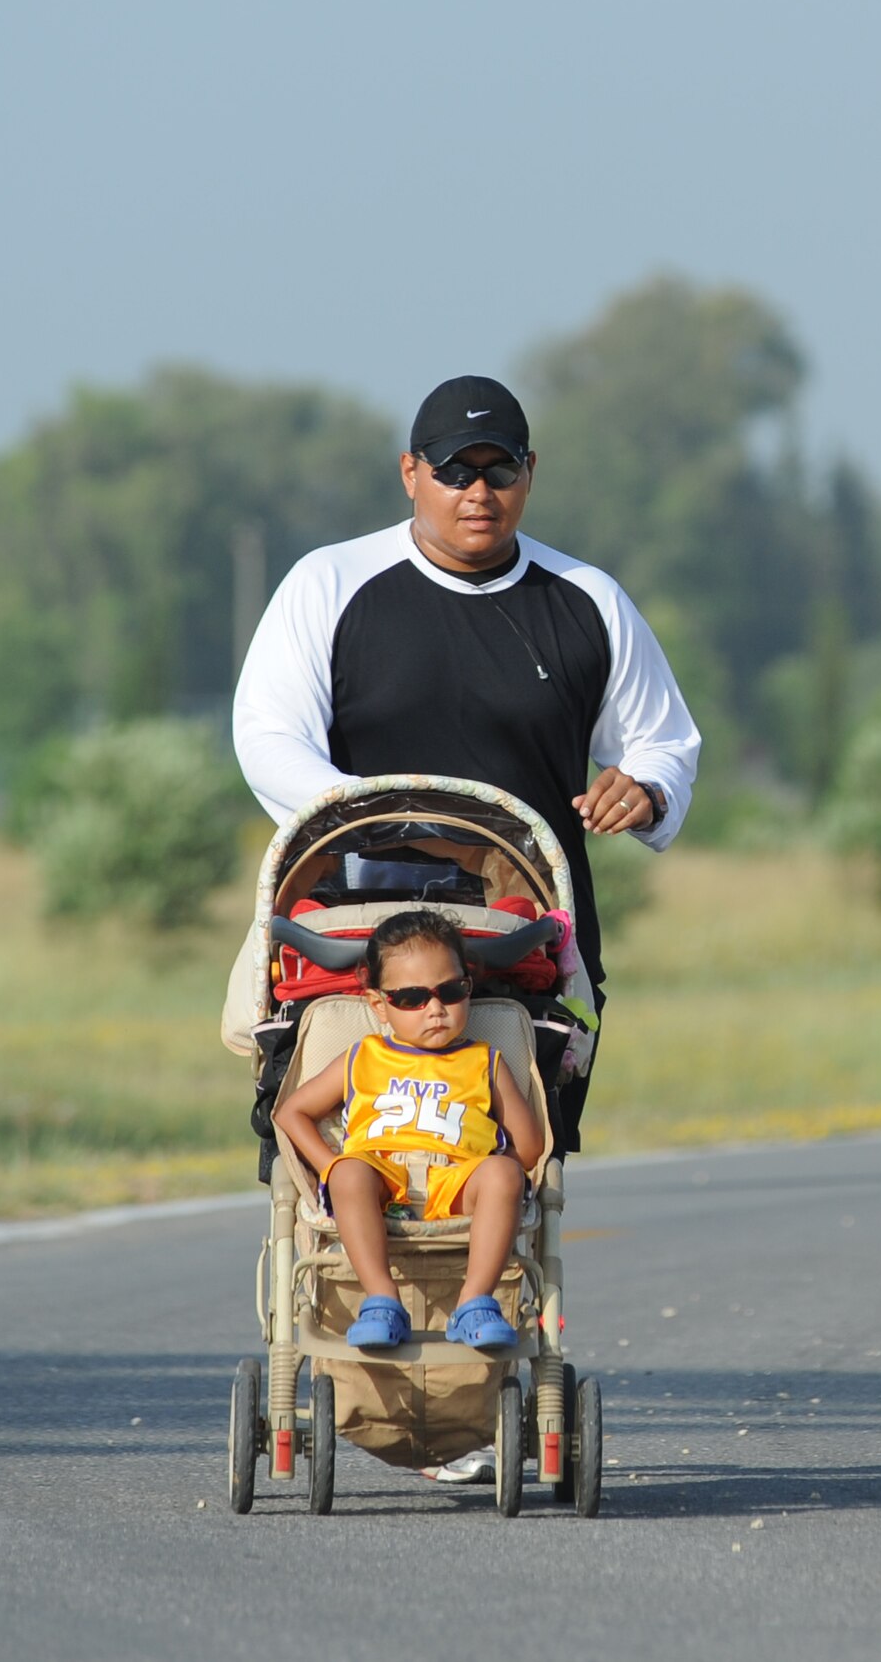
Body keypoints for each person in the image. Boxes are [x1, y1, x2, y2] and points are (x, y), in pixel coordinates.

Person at [231, 374, 702, 1154]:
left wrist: (646, 790)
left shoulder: (588, 598)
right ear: (411, 472)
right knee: (349, 1166)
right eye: (454, 469)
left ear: (530, 472)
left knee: (513, 1171)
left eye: (499, 469)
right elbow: (268, 736)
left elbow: (665, 742)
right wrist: (374, 812)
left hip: (526, 931)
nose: (477, 491)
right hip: (357, 926)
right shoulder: (330, 583)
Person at [272, 910, 543, 1351]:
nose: (435, 1009)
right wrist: (331, 1168)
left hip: (457, 1181)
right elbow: (291, 1113)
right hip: (379, 1175)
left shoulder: (484, 1061)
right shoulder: (363, 1056)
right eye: (412, 998)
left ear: (467, 987)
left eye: (451, 992)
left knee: (504, 1174)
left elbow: (529, 1147)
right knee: (349, 1173)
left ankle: (474, 1301)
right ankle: (382, 1299)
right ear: (379, 1004)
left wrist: (494, 1179)